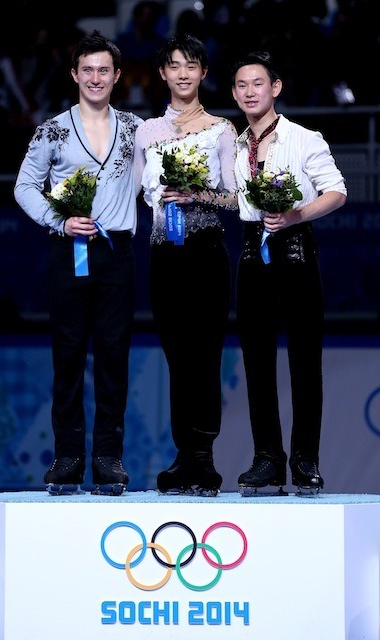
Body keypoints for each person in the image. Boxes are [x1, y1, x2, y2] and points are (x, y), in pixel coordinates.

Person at [14, 30, 143, 495]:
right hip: (68, 252)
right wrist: (59, 220)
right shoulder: (51, 129)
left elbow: (150, 182)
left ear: (117, 76)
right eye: (86, 69)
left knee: (113, 356)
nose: (95, 77)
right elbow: (24, 186)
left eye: (103, 70)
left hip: (117, 253)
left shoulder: (135, 129)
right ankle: (68, 457)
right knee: (68, 357)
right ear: (74, 74)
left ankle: (108, 456)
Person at [231, 50, 347, 495]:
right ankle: (266, 459)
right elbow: (234, 201)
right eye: (241, 85)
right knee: (256, 363)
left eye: (257, 83)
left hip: (296, 253)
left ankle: (305, 460)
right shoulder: (237, 144)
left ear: (275, 88)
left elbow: (336, 191)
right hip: (250, 254)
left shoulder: (304, 138)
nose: (248, 92)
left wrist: (296, 215)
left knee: (304, 363)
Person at [134, 33, 238, 496]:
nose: (182, 73)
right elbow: (139, 192)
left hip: (205, 249)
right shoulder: (147, 131)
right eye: (174, 65)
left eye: (191, 65)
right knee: (176, 356)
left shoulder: (222, 129)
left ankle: (205, 458)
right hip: (163, 251)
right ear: (163, 73)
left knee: (205, 354)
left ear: (203, 73)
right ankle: (183, 456)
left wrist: (198, 193)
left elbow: (236, 198)